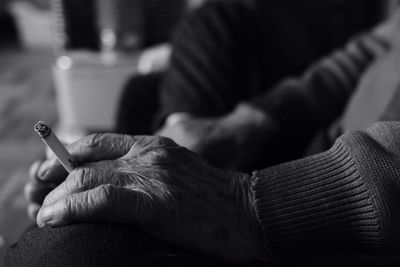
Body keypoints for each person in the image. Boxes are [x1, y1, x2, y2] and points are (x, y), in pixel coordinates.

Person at [7, 1, 400, 266]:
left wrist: (245, 203)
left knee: (84, 239)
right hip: (329, 135)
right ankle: (173, 141)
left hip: (344, 208)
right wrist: (254, 118)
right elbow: (375, 47)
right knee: (214, 21)